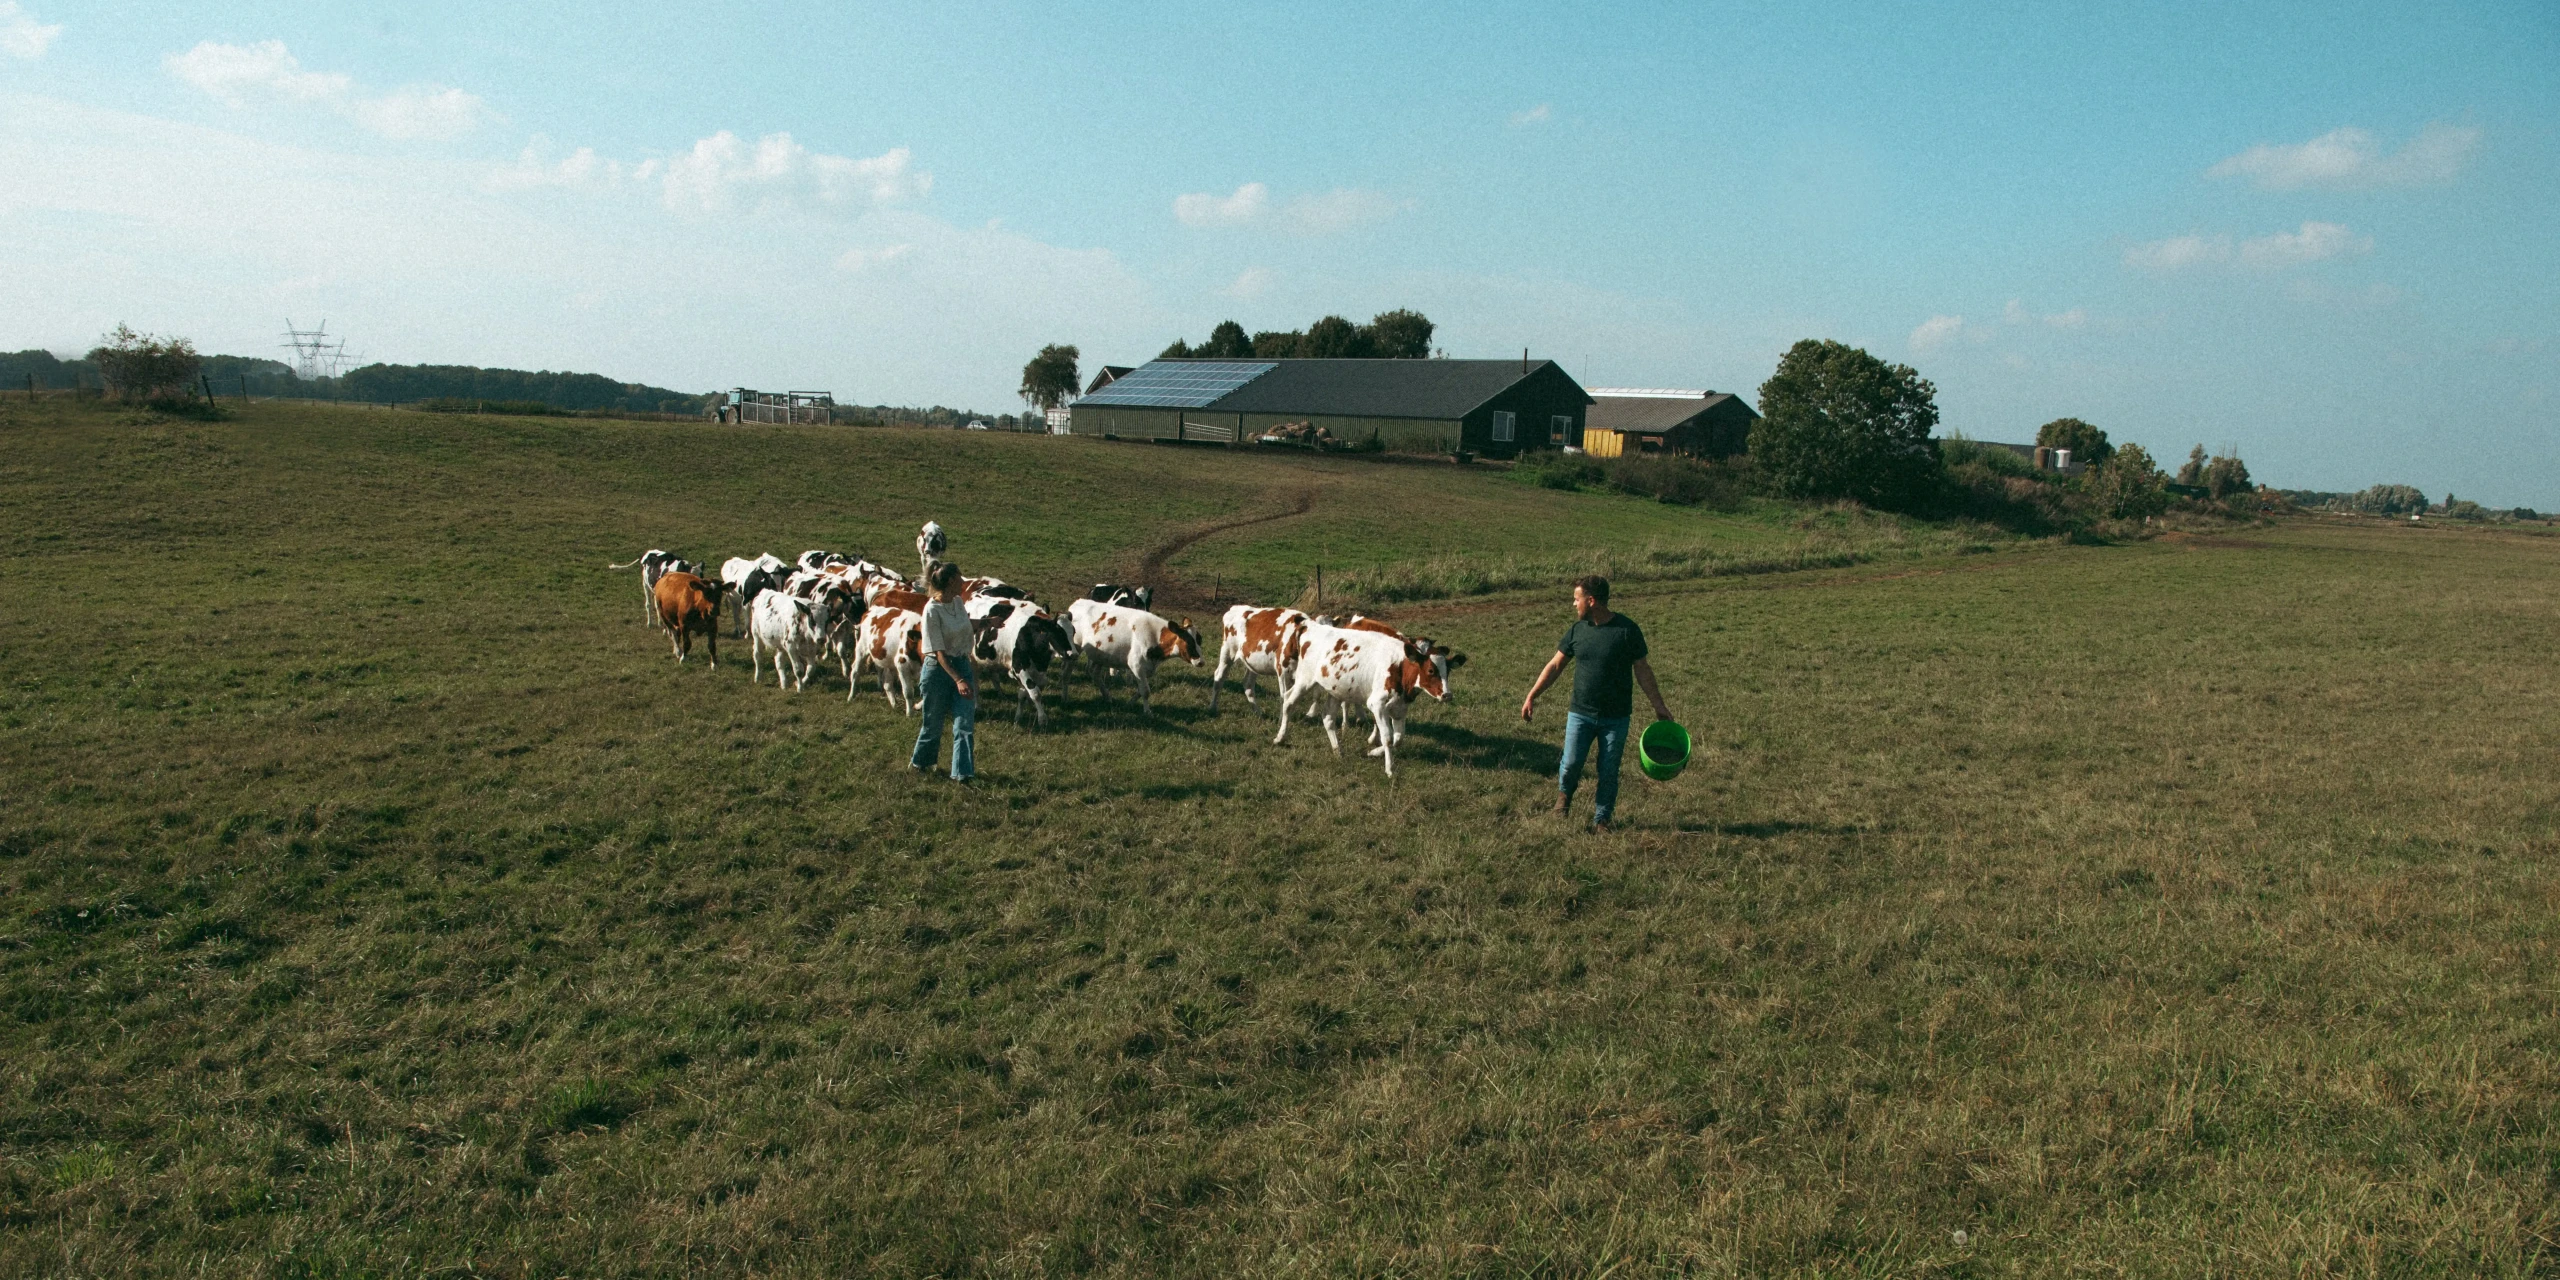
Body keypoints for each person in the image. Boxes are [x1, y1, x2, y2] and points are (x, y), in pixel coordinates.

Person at [1518, 575, 1670, 833]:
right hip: (1581, 714)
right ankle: (1563, 801)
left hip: (1616, 717)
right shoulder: (1578, 630)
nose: (1573, 604)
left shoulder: (1627, 630)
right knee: (1571, 763)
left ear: (1591, 601)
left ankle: (1602, 819)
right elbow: (1555, 665)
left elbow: (1642, 670)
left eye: (1576, 599)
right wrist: (1532, 695)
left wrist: (1659, 706)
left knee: (1609, 770)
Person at [909, 561, 977, 783]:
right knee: (933, 723)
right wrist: (958, 680)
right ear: (950, 582)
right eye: (959, 577)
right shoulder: (931, 610)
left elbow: (965, 624)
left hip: (961, 664)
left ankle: (962, 774)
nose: (963, 581)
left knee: (964, 723)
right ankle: (921, 763)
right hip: (938, 671)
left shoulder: (957, 602)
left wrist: (988, 622)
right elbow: (938, 652)